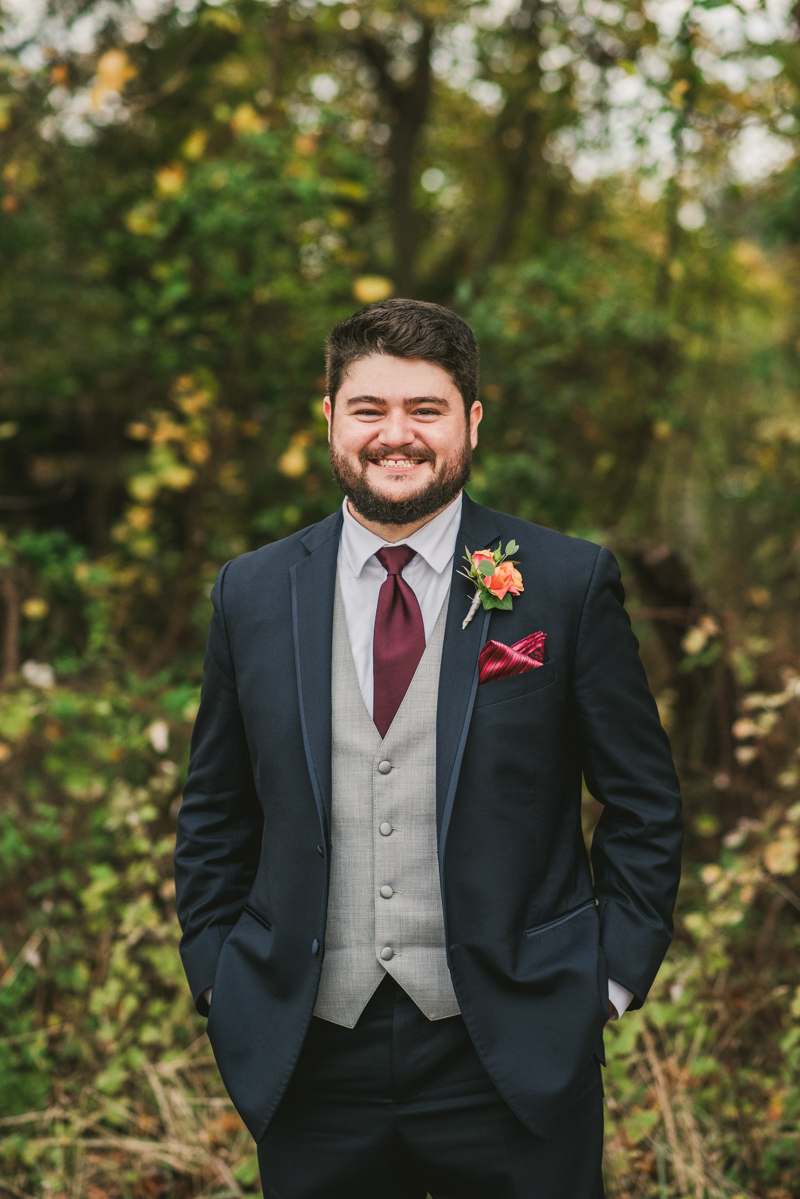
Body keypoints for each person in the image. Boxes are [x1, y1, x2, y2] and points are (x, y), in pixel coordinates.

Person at [174, 299, 683, 1199]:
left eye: (426, 409)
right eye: (369, 408)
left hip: (514, 1048)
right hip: (310, 1051)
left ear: (472, 423)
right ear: (328, 417)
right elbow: (217, 805)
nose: (395, 435)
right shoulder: (249, 592)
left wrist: (604, 983)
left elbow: (643, 800)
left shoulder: (565, 583)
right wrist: (219, 976)